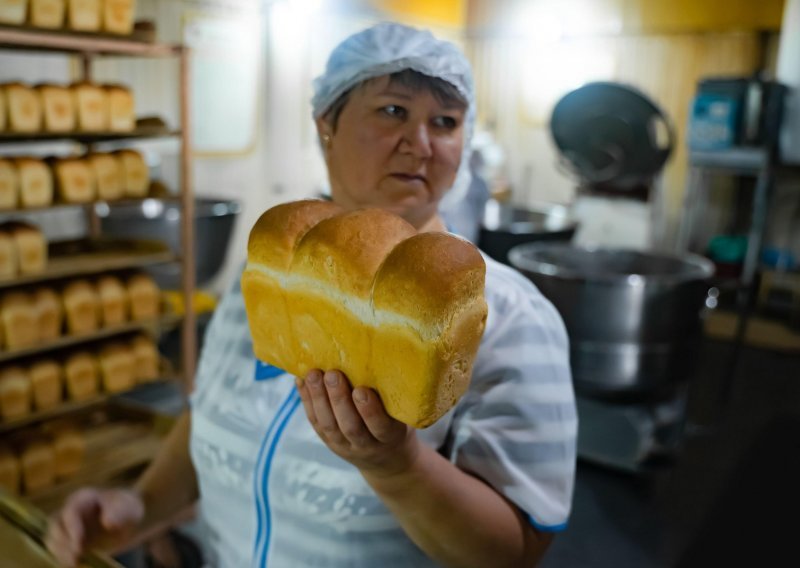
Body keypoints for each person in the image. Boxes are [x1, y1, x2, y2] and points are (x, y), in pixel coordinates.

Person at [46, 22, 577, 568]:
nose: (420, 144)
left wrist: (398, 468)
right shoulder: (270, 269)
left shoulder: (510, 316)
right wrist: (138, 504)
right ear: (327, 123)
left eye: (445, 122)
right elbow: (208, 410)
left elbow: (515, 549)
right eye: (394, 111)